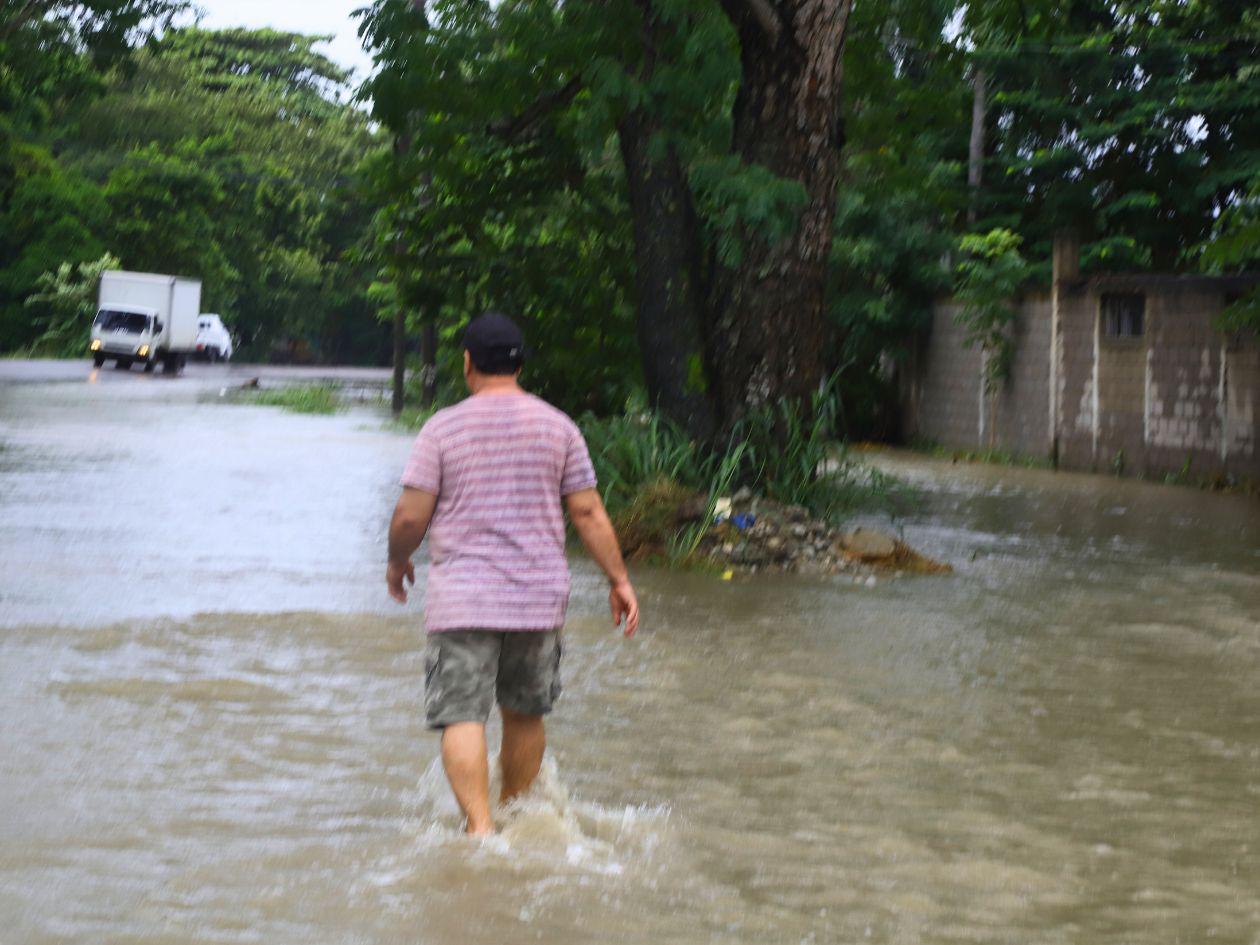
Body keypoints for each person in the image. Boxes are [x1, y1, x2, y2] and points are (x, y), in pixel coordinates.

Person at [386, 311, 639, 835]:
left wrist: (397, 560)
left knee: (462, 715)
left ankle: (480, 830)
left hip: (464, 600)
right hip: (537, 599)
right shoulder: (559, 427)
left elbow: (411, 515)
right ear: (520, 364)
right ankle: (515, 816)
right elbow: (588, 512)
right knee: (525, 714)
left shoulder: (442, 429)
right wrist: (619, 580)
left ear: (467, 363)